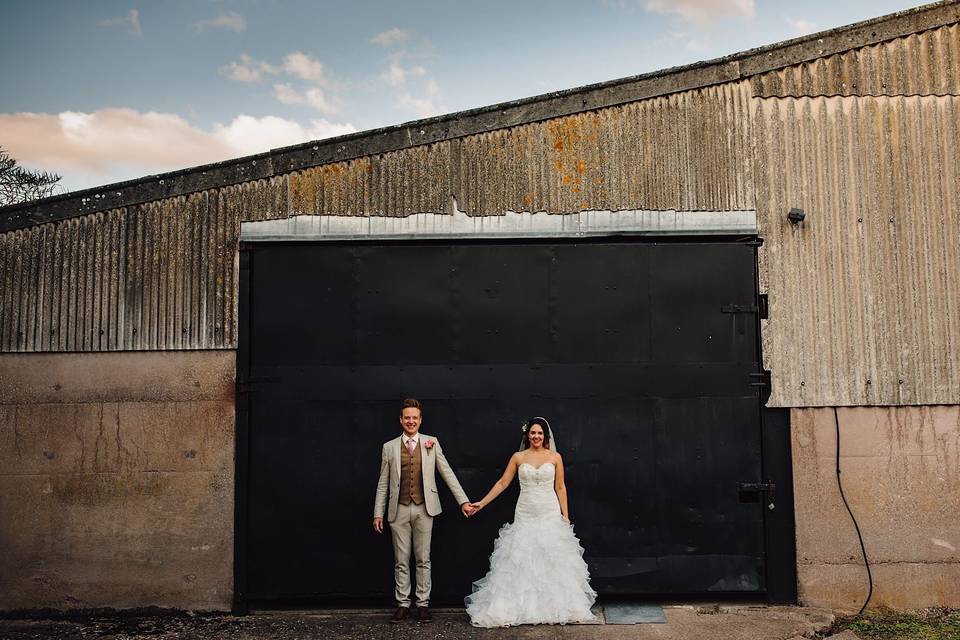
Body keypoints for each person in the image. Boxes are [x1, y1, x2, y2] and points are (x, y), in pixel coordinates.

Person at [464, 417, 597, 627]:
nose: (536, 436)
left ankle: (556, 608)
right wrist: (481, 503)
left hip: (549, 511)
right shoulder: (518, 457)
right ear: (527, 435)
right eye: (533, 433)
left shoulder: (555, 457)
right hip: (525, 512)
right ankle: (518, 608)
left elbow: (560, 487)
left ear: (546, 436)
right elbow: (502, 483)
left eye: (540, 433)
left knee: (552, 559)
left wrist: (565, 515)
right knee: (521, 558)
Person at [373, 398, 475, 624]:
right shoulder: (389, 447)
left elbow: (446, 472)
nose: (411, 421)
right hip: (397, 510)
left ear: (420, 420)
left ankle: (423, 605)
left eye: (415, 418)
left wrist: (463, 502)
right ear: (401, 420)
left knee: (423, 558)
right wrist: (378, 513)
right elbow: (383, 482)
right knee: (401, 559)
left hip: (424, 509)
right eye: (407, 417)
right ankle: (402, 604)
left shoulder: (432, 443)